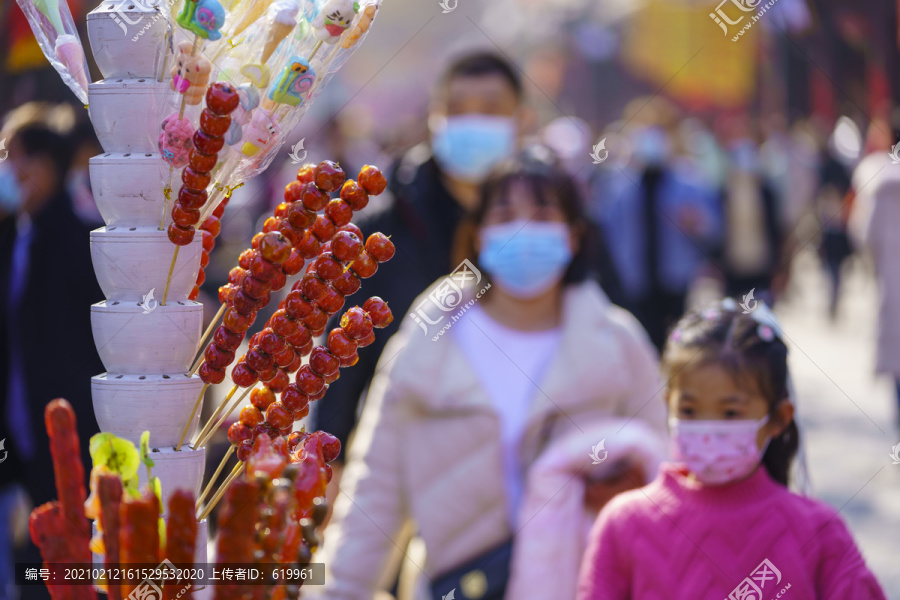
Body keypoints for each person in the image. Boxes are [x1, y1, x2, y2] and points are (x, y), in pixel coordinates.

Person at [311, 150, 667, 600]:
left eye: (543, 214)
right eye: (505, 213)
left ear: (574, 236)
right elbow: (374, 494)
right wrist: (335, 592)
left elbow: (666, 475)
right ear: (477, 235)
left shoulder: (617, 343)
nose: (523, 229)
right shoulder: (429, 338)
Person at [576, 301, 887, 599]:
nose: (708, 428)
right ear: (667, 405)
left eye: (730, 413)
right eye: (689, 410)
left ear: (779, 418)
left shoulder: (819, 533)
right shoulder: (625, 524)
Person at [312, 51, 528, 466]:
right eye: (459, 110)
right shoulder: (383, 227)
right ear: (435, 117)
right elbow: (341, 357)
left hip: (521, 456)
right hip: (403, 457)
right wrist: (327, 460)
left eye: (491, 110)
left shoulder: (548, 221)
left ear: (522, 120)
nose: (474, 123)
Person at [0, 104, 105, 600]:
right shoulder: (16, 233)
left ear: (47, 166)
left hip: (68, 432)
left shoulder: (75, 236)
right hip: (22, 436)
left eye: (16, 159)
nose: (8, 172)